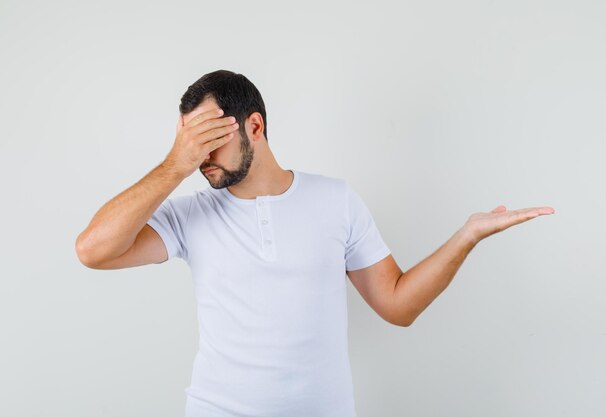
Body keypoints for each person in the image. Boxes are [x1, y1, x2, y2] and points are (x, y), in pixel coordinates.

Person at [75, 70, 555, 417]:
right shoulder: (190, 214)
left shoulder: (335, 200)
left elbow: (398, 305)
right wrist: (174, 165)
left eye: (209, 140)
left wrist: (467, 235)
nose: (200, 158)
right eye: (190, 144)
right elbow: (93, 250)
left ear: (254, 127)